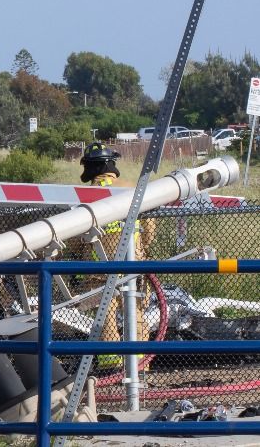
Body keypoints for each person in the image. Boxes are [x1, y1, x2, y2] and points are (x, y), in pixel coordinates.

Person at [78, 141, 151, 368]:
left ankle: (111, 365)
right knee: (136, 312)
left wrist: (80, 260)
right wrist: (143, 249)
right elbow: (149, 227)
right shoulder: (132, 189)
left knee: (105, 316)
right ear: (111, 165)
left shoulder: (84, 196)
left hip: (99, 269)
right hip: (133, 264)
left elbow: (77, 238)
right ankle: (139, 365)